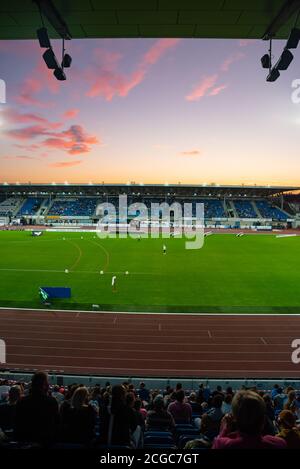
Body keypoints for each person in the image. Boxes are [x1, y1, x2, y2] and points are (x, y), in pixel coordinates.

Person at [212, 390, 287, 449]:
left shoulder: (223, 444)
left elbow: (218, 444)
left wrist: (224, 430)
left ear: (234, 419)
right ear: (263, 421)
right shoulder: (278, 444)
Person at [14, 372, 59, 445]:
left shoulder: (21, 401)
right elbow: (56, 424)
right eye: (47, 382)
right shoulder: (52, 401)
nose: (48, 384)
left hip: (25, 440)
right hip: (45, 441)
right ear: (44, 385)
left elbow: (17, 423)